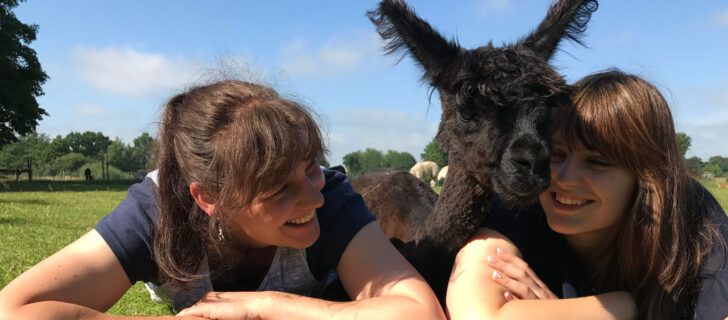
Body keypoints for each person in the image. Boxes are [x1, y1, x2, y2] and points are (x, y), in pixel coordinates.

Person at [0, 80, 444, 319]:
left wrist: (266, 307)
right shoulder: (157, 211)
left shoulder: (334, 198)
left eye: (309, 167)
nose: (314, 196)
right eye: (279, 189)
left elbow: (418, 312)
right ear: (208, 198)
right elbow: (14, 309)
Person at [446, 70, 728, 319]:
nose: (563, 177)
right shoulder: (524, 202)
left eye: (597, 161)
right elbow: (476, 313)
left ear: (646, 177)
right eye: (556, 153)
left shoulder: (687, 211)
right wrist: (621, 308)